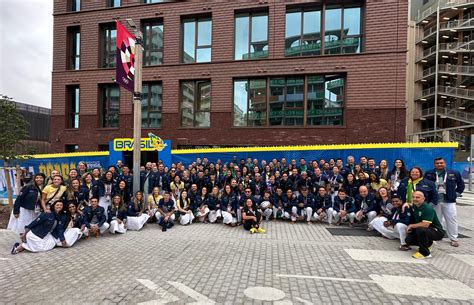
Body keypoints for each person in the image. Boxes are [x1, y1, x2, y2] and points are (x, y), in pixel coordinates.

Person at [425, 157, 465, 247]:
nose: (439, 164)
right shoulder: (429, 173)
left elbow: (461, 184)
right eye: (437, 163)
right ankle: (437, 236)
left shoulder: (454, 173)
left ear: (445, 163)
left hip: (449, 201)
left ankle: (454, 238)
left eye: (441, 163)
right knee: (437, 220)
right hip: (435, 201)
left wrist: (456, 194)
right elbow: (425, 185)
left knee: (451, 219)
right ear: (434, 164)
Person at [406, 191, 445, 259]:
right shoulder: (415, 205)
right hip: (426, 230)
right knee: (408, 240)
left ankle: (425, 253)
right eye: (413, 197)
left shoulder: (428, 208)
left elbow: (425, 224)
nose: (415, 199)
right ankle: (430, 243)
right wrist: (406, 204)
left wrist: (411, 226)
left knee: (421, 229)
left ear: (423, 198)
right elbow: (410, 204)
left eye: (417, 197)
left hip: (436, 231)